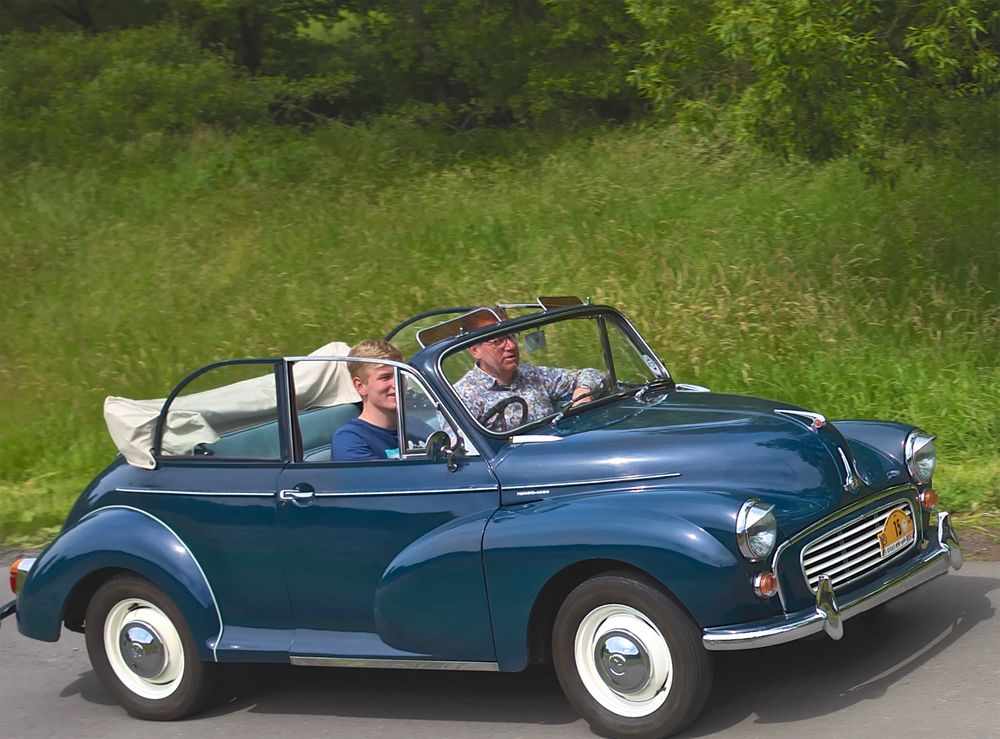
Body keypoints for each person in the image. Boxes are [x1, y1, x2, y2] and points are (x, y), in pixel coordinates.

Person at [453, 309, 604, 430]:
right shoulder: (462, 396)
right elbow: (463, 453)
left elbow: (592, 374)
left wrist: (583, 392)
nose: (511, 346)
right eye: (498, 341)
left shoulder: (532, 375)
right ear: (475, 351)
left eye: (512, 336)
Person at [331, 340, 406, 461]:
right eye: (385, 378)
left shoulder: (414, 426)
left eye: (400, 374)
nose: (397, 384)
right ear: (360, 386)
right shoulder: (350, 440)